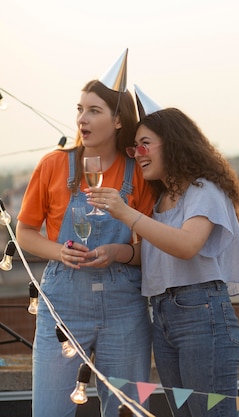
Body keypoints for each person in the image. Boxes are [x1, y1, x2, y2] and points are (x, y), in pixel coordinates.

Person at [88, 86, 239, 417]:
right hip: (164, 314)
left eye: (145, 144)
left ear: (174, 144)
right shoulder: (160, 198)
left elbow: (186, 245)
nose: (138, 153)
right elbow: (156, 252)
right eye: (136, 147)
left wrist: (127, 214)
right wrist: (118, 252)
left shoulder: (203, 189)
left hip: (201, 313)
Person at [16, 50, 154, 417]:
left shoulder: (138, 172)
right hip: (63, 305)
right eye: (80, 109)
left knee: (128, 410)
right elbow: (25, 233)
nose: (82, 119)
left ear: (119, 119)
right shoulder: (53, 165)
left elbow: (153, 248)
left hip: (125, 306)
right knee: (49, 410)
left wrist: (120, 252)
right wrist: (59, 252)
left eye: (94, 110)